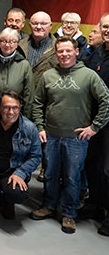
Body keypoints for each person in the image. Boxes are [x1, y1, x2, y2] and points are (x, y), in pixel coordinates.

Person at [30, 36, 109, 234]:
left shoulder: (89, 76)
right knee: (50, 173)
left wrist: (95, 127)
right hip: (51, 135)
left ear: (76, 52)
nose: (64, 54)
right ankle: (49, 206)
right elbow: (37, 103)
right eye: (60, 51)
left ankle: (69, 213)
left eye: (68, 51)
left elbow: (106, 101)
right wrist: (40, 127)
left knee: (72, 177)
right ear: (56, 54)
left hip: (77, 138)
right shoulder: (48, 75)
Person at [0, 91, 41, 219]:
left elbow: (36, 156)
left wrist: (21, 173)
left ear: (20, 108)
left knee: (18, 193)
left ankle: (7, 201)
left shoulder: (29, 128)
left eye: (15, 108)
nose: (11, 112)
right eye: (6, 107)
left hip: (11, 172)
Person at [83, 14, 109, 235]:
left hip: (108, 123)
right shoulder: (98, 53)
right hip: (93, 122)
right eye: (105, 27)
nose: (107, 30)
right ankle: (95, 206)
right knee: (92, 164)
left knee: (108, 170)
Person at [18, 11, 57, 85]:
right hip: (22, 92)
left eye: (43, 24)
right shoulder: (19, 46)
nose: (39, 27)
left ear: (50, 26)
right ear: (30, 25)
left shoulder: (58, 48)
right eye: (35, 23)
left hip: (46, 93)